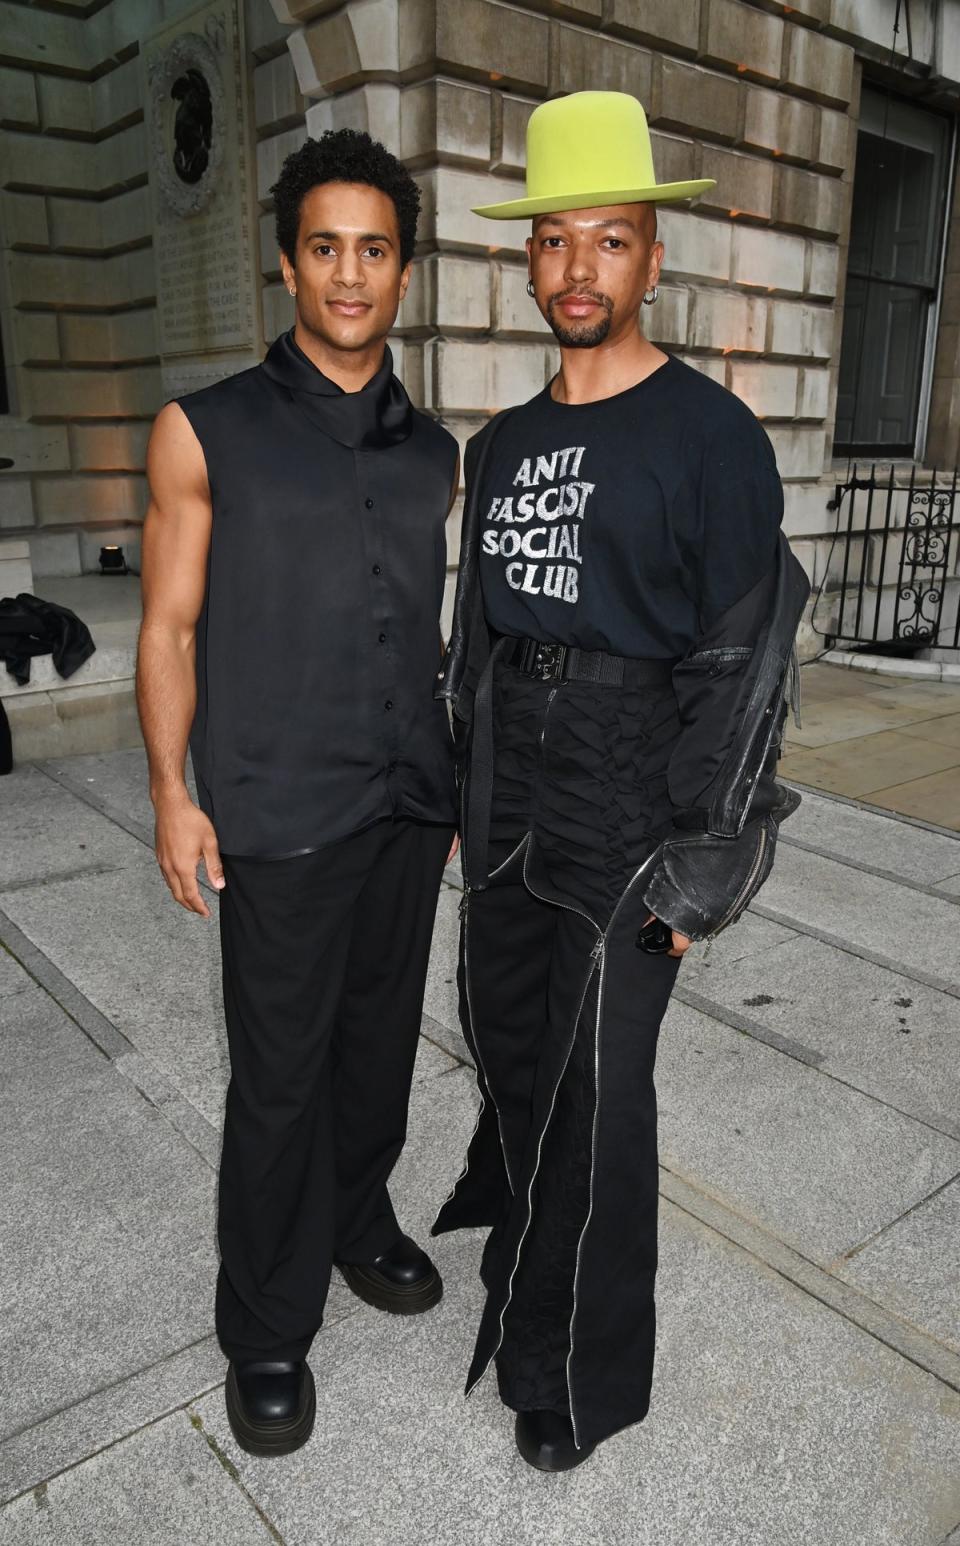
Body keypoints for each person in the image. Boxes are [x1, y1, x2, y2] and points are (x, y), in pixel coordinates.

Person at [432, 91, 810, 1472]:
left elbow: (744, 664)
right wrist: (463, 809)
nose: (577, 270)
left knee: (603, 1095)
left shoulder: (711, 438)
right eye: (554, 244)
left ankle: (570, 1375)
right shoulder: (505, 448)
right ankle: (524, 1281)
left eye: (610, 241)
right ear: (526, 264)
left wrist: (702, 872)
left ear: (655, 259)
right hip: (514, 806)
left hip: (632, 806)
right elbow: (473, 645)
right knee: (520, 1063)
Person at [136, 129, 459, 1458]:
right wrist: (171, 788)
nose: (348, 272)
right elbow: (164, 628)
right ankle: (266, 1322)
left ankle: (358, 1215)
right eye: (324, 246)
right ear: (287, 263)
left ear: (403, 271)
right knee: (278, 1079)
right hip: (277, 810)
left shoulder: (437, 449)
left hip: (409, 802)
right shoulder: (203, 430)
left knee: (380, 1047)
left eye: (373, 249)